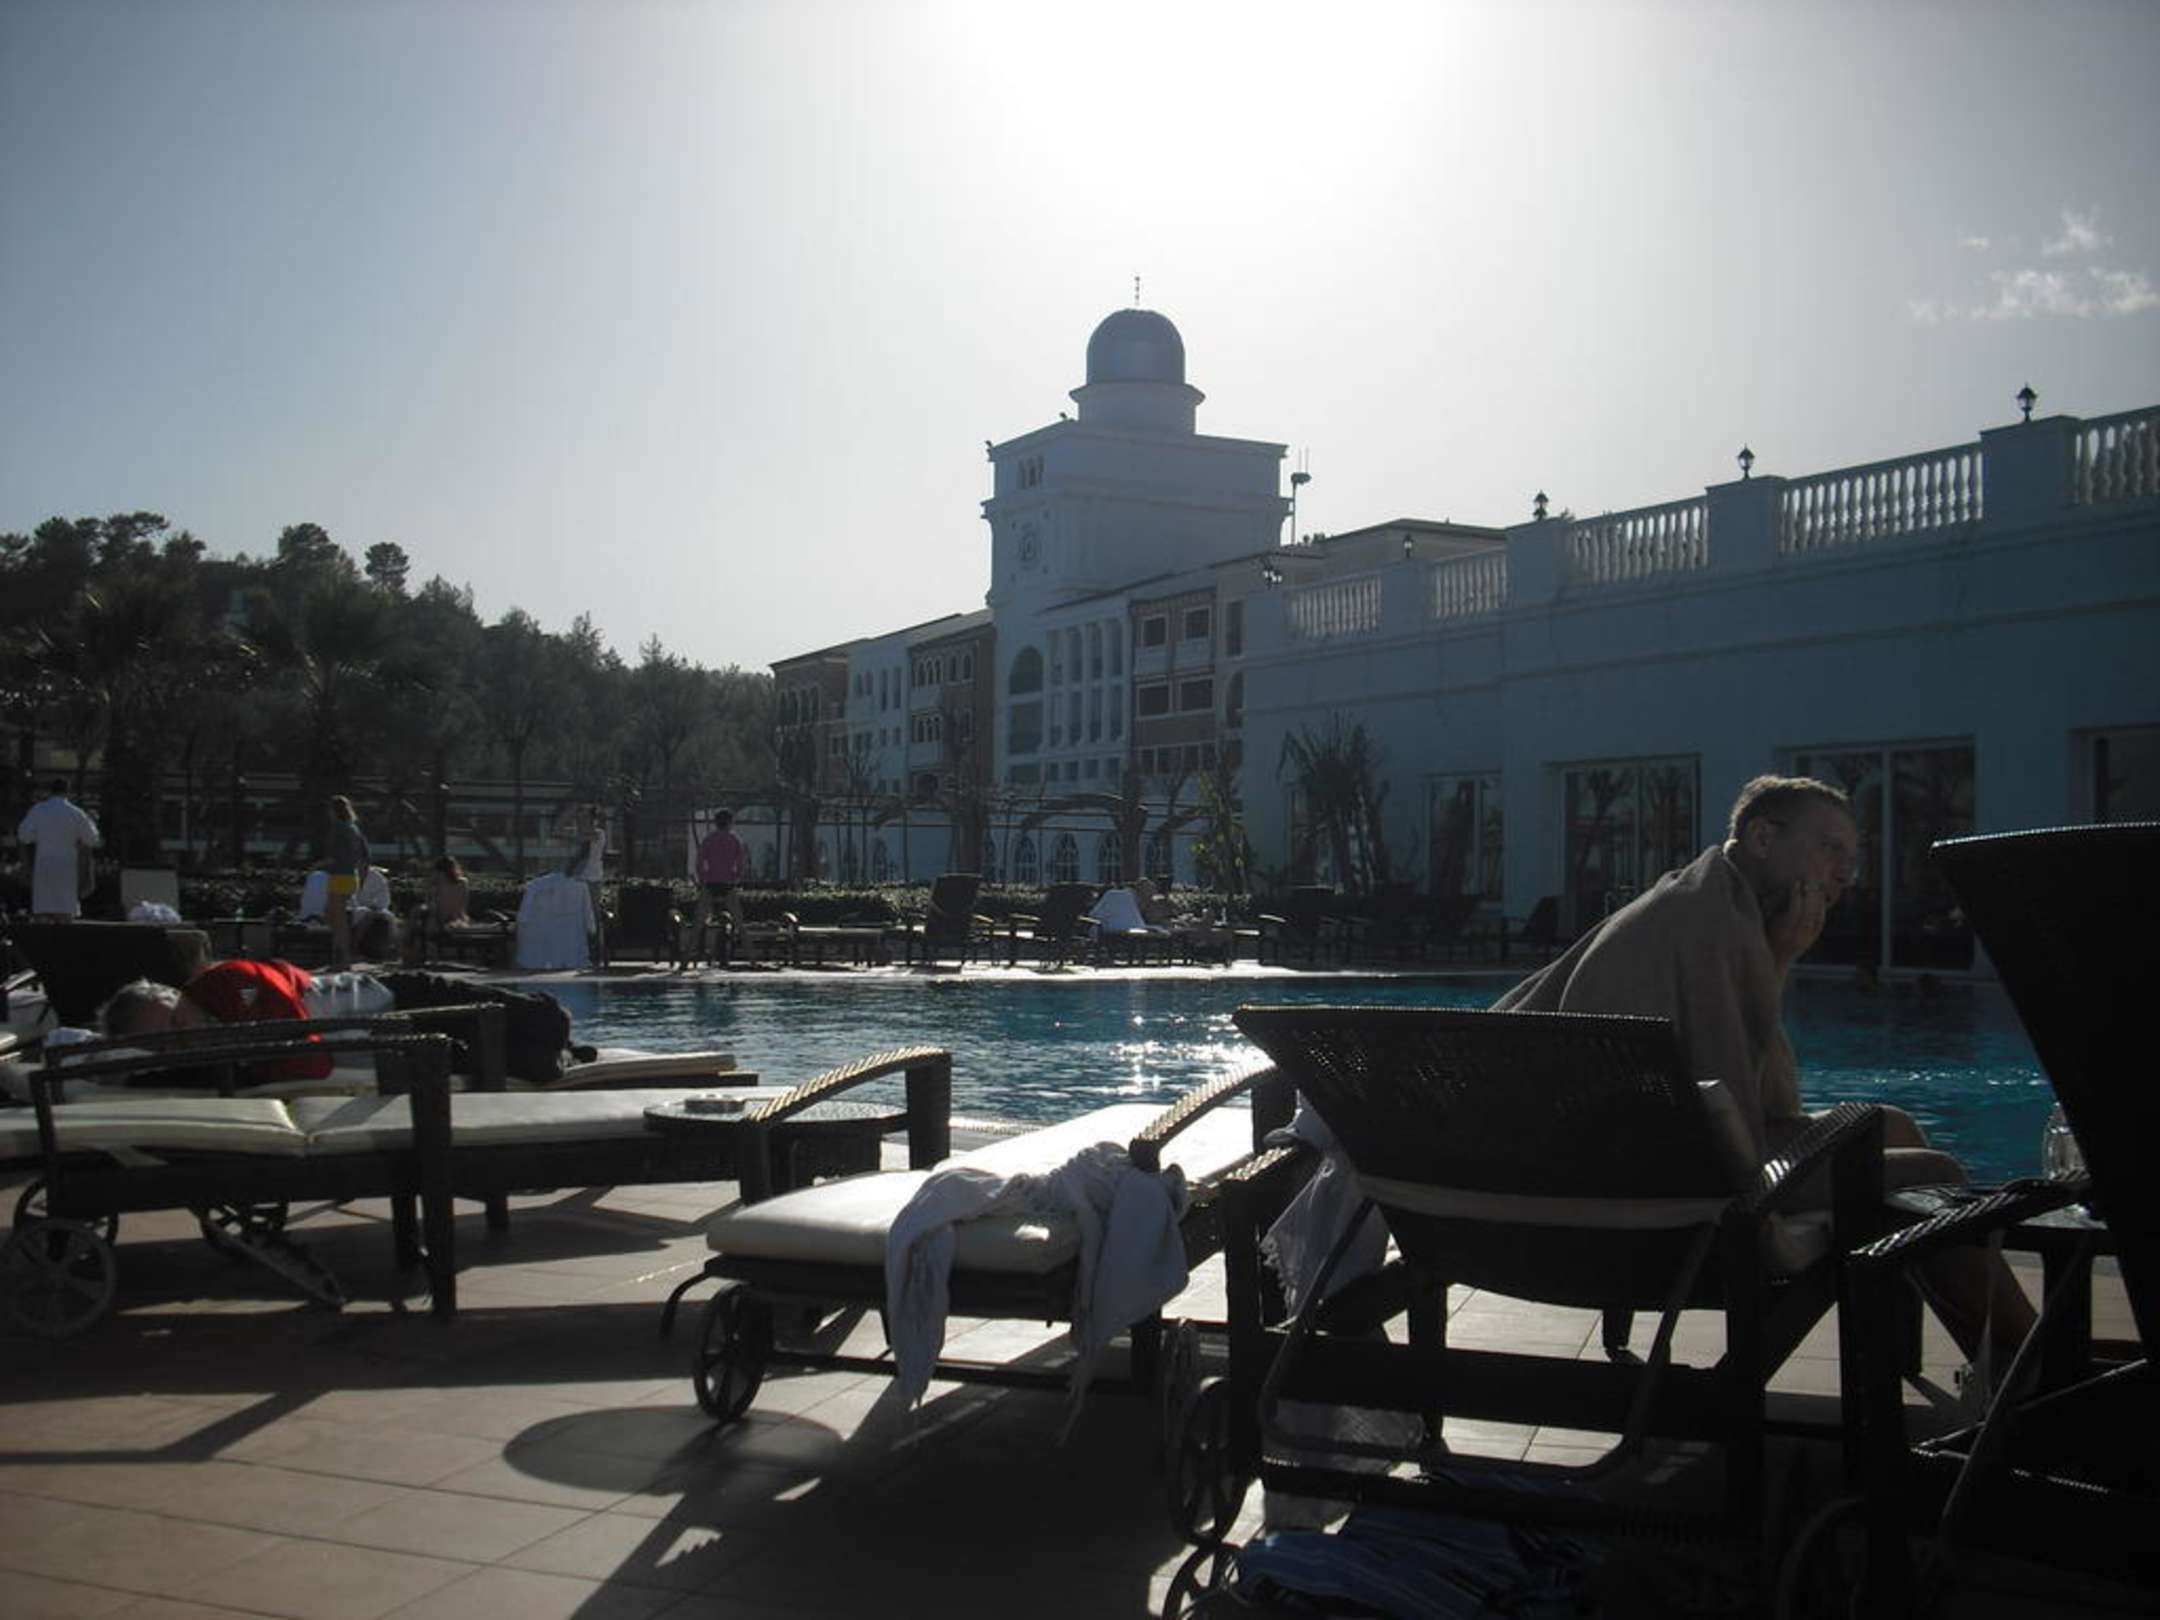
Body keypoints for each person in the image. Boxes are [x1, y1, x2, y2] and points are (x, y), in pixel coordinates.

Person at [1495, 773, 2035, 1364]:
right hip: (1658, 1199)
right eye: (1829, 847)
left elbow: (1751, 1098)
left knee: (1895, 1127)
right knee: (1933, 1174)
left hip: (1618, 1163)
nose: (1845, 873)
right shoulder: (1709, 926)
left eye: (1850, 857)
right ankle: (2032, 1365)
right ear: (1761, 838)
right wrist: (1779, 960)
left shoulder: (1702, 900)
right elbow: (1755, 1110)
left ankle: (2000, 1359)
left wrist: (1774, 958)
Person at [16, 776, 101, 922]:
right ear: (68, 792)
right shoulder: (76, 813)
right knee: (65, 913)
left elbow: (23, 836)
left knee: (43, 912)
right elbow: (92, 839)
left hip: (44, 866)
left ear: (50, 791)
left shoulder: (38, 810)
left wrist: (39, 835)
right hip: (66, 869)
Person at [515, 854, 598, 970]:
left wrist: (523, 919)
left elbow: (527, 903)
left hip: (547, 923)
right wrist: (591, 927)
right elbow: (587, 909)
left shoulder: (539, 884)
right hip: (572, 926)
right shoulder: (581, 886)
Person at [694, 808, 749, 959]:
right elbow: (741, 863)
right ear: (730, 822)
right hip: (727, 883)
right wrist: (736, 877)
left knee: (698, 922)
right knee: (739, 923)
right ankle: (752, 959)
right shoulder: (734, 840)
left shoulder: (709, 839)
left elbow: (699, 861)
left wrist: (703, 878)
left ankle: (685, 960)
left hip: (710, 882)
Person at [324, 795, 368, 970]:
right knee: (335, 916)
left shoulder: (338, 828)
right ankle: (341, 956)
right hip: (350, 876)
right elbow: (364, 854)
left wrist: (317, 866)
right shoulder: (354, 829)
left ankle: (342, 958)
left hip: (339, 876)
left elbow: (334, 855)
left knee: (337, 920)